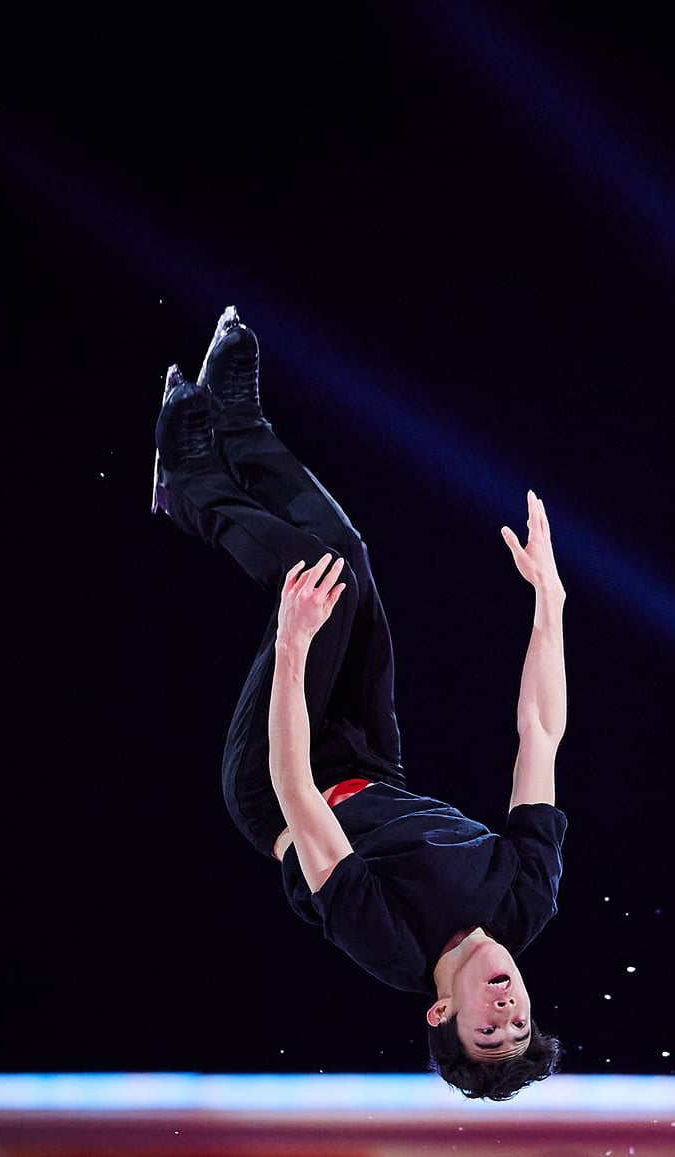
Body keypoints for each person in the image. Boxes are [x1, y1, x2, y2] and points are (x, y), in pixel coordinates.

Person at [150, 306, 568, 1101]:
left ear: (442, 1011)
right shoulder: (526, 898)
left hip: (278, 782)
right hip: (372, 759)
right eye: (520, 1022)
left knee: (312, 576)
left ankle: (190, 483)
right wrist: (550, 600)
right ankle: (238, 427)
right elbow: (539, 732)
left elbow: (297, 797)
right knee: (350, 560)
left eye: (489, 1027)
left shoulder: (391, 947)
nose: (508, 1008)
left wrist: (294, 647)